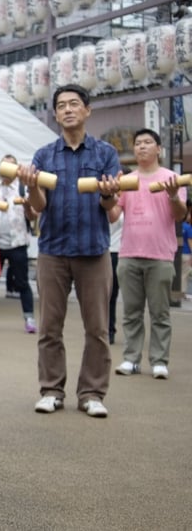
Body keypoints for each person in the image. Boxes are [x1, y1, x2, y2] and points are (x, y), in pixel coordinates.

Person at [18, 83, 121, 418]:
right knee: (50, 327)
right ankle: (51, 390)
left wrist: (108, 193)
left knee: (97, 328)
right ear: (56, 114)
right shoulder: (44, 156)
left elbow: (110, 205)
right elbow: (38, 206)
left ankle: (92, 393)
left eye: (74, 104)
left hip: (94, 250)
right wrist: (32, 185)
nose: (67, 110)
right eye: (61, 105)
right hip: (53, 250)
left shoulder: (104, 154)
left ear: (87, 110)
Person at [110, 128, 188, 380]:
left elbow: (180, 216)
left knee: (160, 312)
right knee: (131, 312)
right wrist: (109, 195)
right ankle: (131, 359)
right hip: (129, 253)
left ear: (158, 149)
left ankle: (159, 360)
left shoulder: (171, 178)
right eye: (138, 143)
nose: (142, 147)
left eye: (147, 142)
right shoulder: (127, 180)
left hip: (160, 255)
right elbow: (113, 216)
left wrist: (174, 194)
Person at [0, 154, 37, 334]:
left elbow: (33, 215)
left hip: (18, 242)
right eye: (4, 165)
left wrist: (27, 205)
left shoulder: (22, 188)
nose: (7, 168)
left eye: (11, 166)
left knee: (22, 282)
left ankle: (29, 318)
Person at [108, 211, 124, 345]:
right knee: (107, 295)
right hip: (107, 250)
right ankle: (108, 329)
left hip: (123, 252)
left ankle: (110, 329)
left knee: (113, 294)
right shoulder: (104, 200)